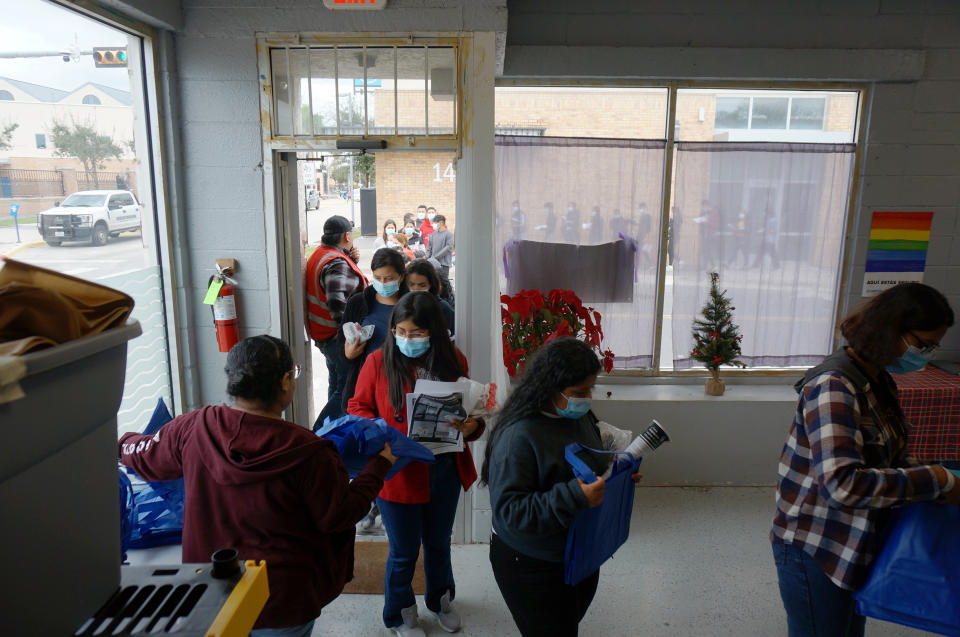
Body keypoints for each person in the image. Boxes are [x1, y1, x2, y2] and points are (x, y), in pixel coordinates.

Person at [118, 335, 396, 636]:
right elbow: (339, 514)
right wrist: (379, 466)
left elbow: (144, 455)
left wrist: (118, 442)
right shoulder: (310, 452)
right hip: (282, 600)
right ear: (286, 381)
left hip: (213, 591)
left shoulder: (194, 428)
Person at [772, 282, 960, 637]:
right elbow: (843, 485)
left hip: (855, 540)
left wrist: (934, 471)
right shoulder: (834, 386)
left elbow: (888, 455)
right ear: (892, 331)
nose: (928, 354)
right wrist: (937, 481)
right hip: (817, 545)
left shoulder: (877, 380)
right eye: (924, 344)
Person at [482, 337, 641, 637]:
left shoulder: (576, 415)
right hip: (530, 562)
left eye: (590, 389)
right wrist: (574, 496)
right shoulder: (518, 436)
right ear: (549, 389)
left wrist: (617, 477)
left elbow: (589, 460)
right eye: (578, 392)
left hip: (577, 550)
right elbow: (509, 513)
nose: (586, 399)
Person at [348, 292, 485, 637]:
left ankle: (440, 601)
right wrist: (383, 435)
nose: (408, 339)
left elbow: (471, 413)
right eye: (401, 332)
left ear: (435, 332)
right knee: (404, 551)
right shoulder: (377, 362)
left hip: (443, 469)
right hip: (397, 473)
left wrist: (472, 426)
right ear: (393, 329)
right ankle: (399, 614)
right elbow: (357, 408)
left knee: (438, 543)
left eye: (417, 333)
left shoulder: (454, 361)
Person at [306, 215, 367, 430]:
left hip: (325, 337)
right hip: (336, 340)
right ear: (347, 236)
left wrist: (351, 260)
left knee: (336, 385)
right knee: (345, 392)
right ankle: (318, 434)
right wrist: (350, 338)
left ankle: (331, 433)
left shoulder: (322, 254)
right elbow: (337, 304)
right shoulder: (337, 263)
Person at [339, 248, 409, 410]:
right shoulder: (358, 302)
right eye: (378, 278)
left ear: (401, 277)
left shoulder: (411, 305)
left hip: (401, 386)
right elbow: (342, 348)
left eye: (389, 278)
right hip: (365, 387)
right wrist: (348, 354)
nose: (383, 283)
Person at [406, 258, 455, 336]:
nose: (416, 289)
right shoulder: (403, 306)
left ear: (431, 284)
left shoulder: (443, 309)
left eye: (422, 285)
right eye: (412, 284)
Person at [426, 213, 454, 280]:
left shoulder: (448, 234)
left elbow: (448, 247)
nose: (433, 225)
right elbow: (429, 247)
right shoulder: (433, 234)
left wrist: (436, 257)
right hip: (432, 263)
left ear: (441, 223)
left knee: (443, 282)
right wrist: (428, 258)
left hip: (444, 264)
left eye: (435, 223)